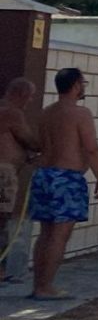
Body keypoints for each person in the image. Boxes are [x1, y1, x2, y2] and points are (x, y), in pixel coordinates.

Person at [29, 67, 98, 300]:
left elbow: (39, 144)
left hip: (44, 175)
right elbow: (91, 148)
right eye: (83, 83)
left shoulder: (46, 112)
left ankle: (38, 284)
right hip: (67, 177)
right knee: (60, 235)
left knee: (45, 233)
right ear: (76, 85)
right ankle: (46, 287)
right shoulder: (80, 114)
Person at [0, 77, 38, 283]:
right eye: (30, 97)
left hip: (7, 171)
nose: (30, 101)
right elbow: (30, 140)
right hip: (3, 174)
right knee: (2, 219)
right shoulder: (11, 113)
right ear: (21, 94)